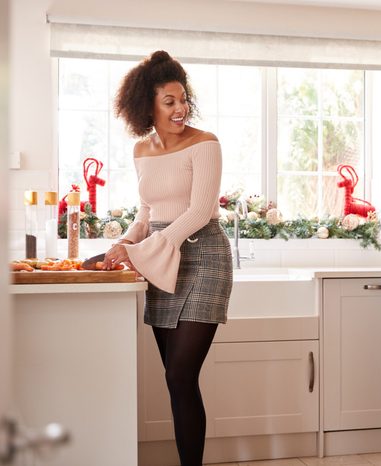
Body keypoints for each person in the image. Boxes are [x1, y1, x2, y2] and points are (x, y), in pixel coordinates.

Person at [105, 50, 233, 466]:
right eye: (170, 102)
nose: (181, 109)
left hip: (203, 257)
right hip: (161, 258)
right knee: (174, 381)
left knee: (181, 373)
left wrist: (145, 250)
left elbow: (198, 212)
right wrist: (125, 242)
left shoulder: (205, 144)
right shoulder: (142, 151)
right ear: (148, 107)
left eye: (183, 99)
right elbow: (146, 213)